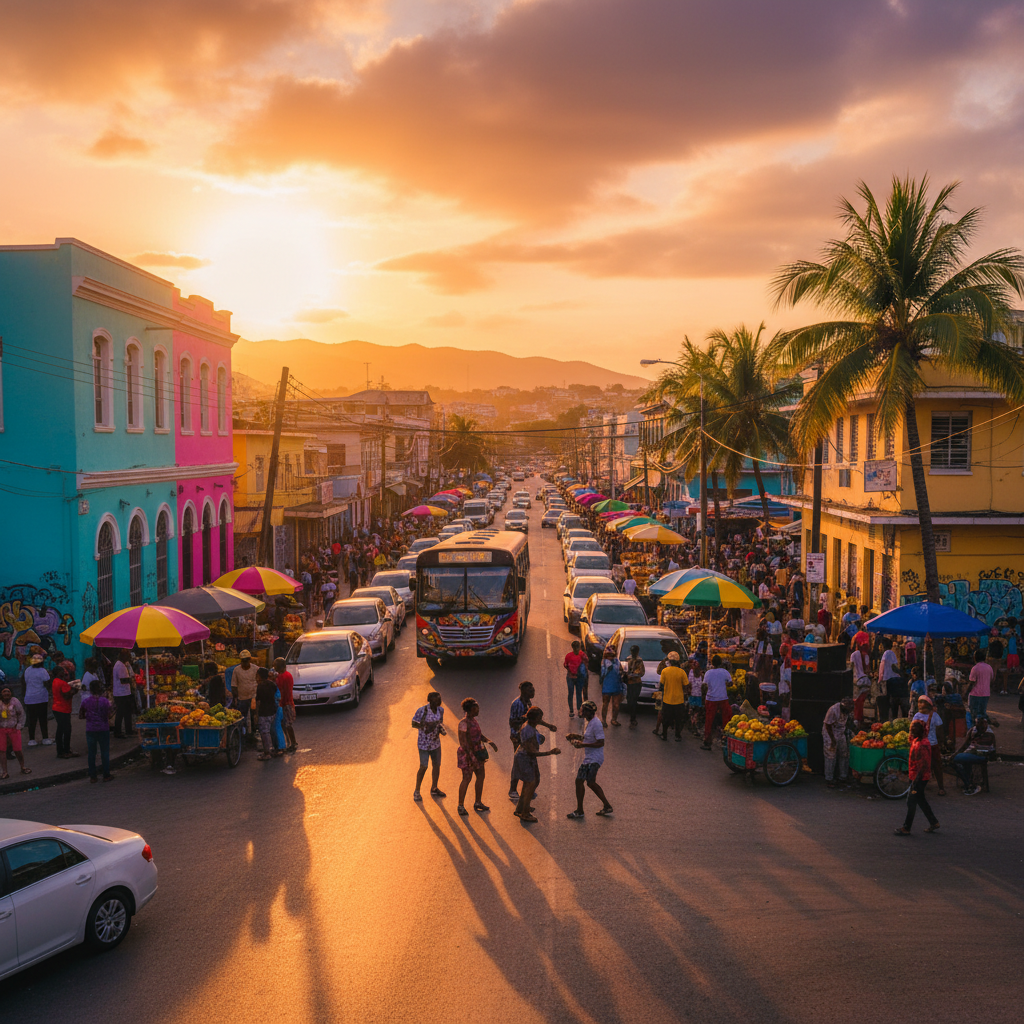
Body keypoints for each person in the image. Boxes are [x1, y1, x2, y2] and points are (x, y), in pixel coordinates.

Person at [507, 682, 555, 801]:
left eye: (533, 690)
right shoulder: (517, 704)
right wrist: (524, 732)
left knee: (527, 762)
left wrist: (548, 726)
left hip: (525, 736)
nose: (532, 692)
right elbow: (513, 722)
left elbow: (532, 718)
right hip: (518, 737)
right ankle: (513, 789)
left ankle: (528, 789)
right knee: (519, 762)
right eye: (530, 690)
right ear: (523, 691)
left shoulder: (528, 702)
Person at [512, 706, 561, 823]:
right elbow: (531, 751)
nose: (540, 720)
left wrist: (548, 726)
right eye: (539, 718)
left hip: (528, 758)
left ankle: (521, 807)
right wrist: (550, 752)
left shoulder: (530, 724)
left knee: (534, 781)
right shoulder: (528, 730)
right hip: (525, 758)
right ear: (533, 719)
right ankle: (525, 812)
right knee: (530, 783)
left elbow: (539, 722)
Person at [566, 700, 613, 818]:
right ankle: (583, 809)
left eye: (583, 710)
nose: (581, 712)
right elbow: (589, 737)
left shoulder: (596, 723)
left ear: (588, 711)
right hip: (589, 758)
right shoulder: (590, 722)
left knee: (589, 782)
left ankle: (582, 810)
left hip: (594, 758)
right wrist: (575, 736)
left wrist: (583, 745)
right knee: (582, 781)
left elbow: (600, 743)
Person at [894, 720, 940, 835]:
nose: (913, 730)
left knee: (911, 801)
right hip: (915, 776)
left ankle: (906, 828)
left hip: (919, 778)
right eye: (912, 728)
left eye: (916, 728)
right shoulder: (915, 740)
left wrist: (915, 782)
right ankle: (933, 822)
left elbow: (923, 765)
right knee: (921, 800)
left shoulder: (923, 743)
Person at [456, 698, 498, 816]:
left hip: (477, 753)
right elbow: (463, 743)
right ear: (469, 710)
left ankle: (478, 802)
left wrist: (488, 741)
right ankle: (460, 805)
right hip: (468, 755)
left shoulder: (473, 721)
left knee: (481, 777)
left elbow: (478, 735)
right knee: (466, 779)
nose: (478, 710)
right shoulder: (463, 723)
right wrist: (472, 757)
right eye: (476, 708)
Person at [412, 691, 446, 801]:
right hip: (424, 744)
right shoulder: (422, 711)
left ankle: (434, 788)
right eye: (436, 700)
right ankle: (417, 790)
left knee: (437, 765)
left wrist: (440, 729)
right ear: (430, 700)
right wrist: (426, 725)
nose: (438, 702)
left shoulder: (440, 711)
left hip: (435, 743)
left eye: (439, 699)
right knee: (424, 766)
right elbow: (414, 723)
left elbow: (439, 723)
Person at [952, 715, 996, 795]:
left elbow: (992, 750)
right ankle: (968, 781)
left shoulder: (990, 734)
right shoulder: (973, 730)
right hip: (972, 753)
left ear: (986, 724)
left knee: (956, 760)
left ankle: (969, 784)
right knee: (960, 759)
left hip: (982, 756)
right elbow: (965, 745)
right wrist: (955, 753)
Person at [912, 694, 946, 796]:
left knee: (921, 766)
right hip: (932, 744)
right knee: (937, 766)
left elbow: (913, 732)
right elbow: (940, 731)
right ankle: (941, 788)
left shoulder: (917, 716)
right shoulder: (935, 716)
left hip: (921, 745)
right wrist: (942, 742)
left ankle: (918, 787)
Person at [81, 678, 114, 782]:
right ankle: (106, 774)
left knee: (92, 753)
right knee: (104, 752)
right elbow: (108, 715)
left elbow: (81, 715)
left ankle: (93, 776)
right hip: (103, 728)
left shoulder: (86, 701)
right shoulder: (105, 701)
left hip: (90, 729)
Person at [701, 655, 733, 749]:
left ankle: (707, 741)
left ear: (712, 663)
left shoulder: (708, 673)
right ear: (721, 663)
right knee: (726, 719)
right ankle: (726, 740)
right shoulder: (725, 672)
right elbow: (730, 683)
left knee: (709, 721)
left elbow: (704, 686)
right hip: (723, 698)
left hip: (711, 699)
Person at [822, 697, 853, 788]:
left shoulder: (847, 711)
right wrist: (833, 740)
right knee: (830, 756)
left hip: (840, 732)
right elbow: (828, 725)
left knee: (844, 754)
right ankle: (829, 779)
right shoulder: (833, 710)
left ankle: (843, 777)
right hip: (830, 733)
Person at [22, 653, 52, 746]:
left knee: (32, 720)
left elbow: (24, 683)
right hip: (41, 698)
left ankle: (31, 739)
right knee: (43, 719)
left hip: (29, 698)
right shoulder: (43, 671)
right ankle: (45, 738)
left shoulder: (27, 670)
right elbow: (47, 683)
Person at [657, 651, 688, 741]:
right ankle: (677, 735)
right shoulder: (682, 672)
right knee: (678, 719)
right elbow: (686, 685)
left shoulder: (665, 671)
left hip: (667, 699)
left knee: (666, 718)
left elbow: (661, 685)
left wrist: (660, 698)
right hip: (679, 700)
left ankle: (664, 734)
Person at [231, 650, 259, 744]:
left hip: (253, 697)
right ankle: (243, 736)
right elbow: (234, 685)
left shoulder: (255, 669)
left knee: (253, 717)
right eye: (243, 660)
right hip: (242, 698)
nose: (245, 662)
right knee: (242, 718)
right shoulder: (237, 670)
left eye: (246, 660)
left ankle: (253, 734)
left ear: (250, 660)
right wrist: (235, 698)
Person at [0, 686, 29, 778]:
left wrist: (19, 725)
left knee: (17, 750)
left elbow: (21, 714)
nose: (6, 693)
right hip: (2, 730)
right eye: (4, 691)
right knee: (2, 751)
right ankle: (4, 772)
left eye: (8, 691)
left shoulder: (15, 701)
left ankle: (23, 767)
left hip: (14, 729)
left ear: (11, 693)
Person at [51, 666, 79, 759]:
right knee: (66, 730)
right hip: (63, 709)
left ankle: (61, 750)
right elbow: (66, 696)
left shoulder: (55, 681)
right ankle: (65, 750)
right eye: (62, 671)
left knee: (60, 730)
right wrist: (75, 690)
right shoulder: (62, 683)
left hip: (57, 708)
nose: (64, 673)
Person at [273, 657, 297, 753]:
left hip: (286, 703)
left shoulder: (285, 676)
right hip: (284, 702)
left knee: (287, 725)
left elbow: (285, 691)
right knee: (284, 725)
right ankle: (289, 742)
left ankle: (293, 742)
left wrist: (281, 702)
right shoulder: (282, 675)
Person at [111, 650, 136, 739]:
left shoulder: (122, 664)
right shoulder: (120, 666)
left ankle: (128, 730)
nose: (129, 658)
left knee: (127, 713)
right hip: (121, 693)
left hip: (124, 692)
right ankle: (118, 732)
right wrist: (132, 679)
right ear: (123, 656)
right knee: (120, 713)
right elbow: (123, 680)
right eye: (128, 656)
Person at [966, 648, 993, 724]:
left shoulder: (975, 668)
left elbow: (972, 682)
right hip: (986, 693)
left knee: (974, 713)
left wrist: (966, 693)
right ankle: (983, 727)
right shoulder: (989, 667)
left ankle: (975, 728)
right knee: (982, 712)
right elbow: (992, 679)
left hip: (975, 694)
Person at [876, 638, 900, 723]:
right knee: (893, 700)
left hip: (887, 679)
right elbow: (895, 666)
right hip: (894, 678)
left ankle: (886, 719)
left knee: (886, 700)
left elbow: (882, 668)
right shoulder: (892, 653)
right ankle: (893, 718)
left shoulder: (886, 654)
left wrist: (880, 679)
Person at [563, 640, 588, 718]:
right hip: (571, 677)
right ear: (573, 648)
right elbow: (565, 664)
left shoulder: (582, 655)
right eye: (575, 648)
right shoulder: (569, 656)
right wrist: (570, 671)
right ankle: (571, 710)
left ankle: (578, 710)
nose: (577, 650)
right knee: (571, 693)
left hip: (578, 677)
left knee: (578, 693)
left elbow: (586, 664)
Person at [599, 647, 623, 727]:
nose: (610, 657)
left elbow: (621, 671)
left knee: (616, 704)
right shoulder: (604, 662)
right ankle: (604, 720)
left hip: (616, 685)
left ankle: (614, 719)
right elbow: (602, 674)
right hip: (607, 685)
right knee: (605, 704)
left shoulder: (617, 661)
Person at [624, 644, 645, 730]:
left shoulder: (639, 660)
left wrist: (631, 675)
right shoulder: (627, 659)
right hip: (630, 683)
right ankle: (632, 717)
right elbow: (625, 669)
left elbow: (641, 672)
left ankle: (633, 718)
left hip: (636, 683)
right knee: (629, 700)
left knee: (633, 700)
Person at [851, 641, 872, 724]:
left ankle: (857, 718)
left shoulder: (853, 655)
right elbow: (867, 669)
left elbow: (851, 667)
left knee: (856, 702)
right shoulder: (866, 655)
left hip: (856, 681)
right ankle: (859, 718)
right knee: (861, 701)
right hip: (865, 681)